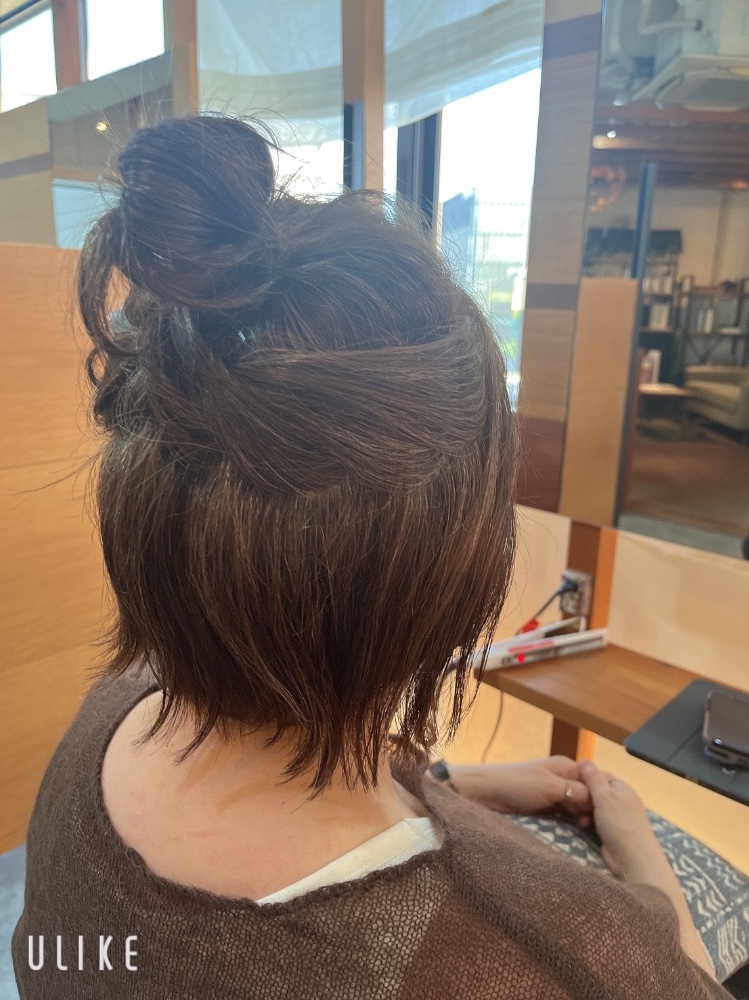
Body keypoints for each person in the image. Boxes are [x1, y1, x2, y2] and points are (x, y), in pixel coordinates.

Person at [12, 114, 728, 999]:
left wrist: (452, 785)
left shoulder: (103, 722)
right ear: (454, 567)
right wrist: (640, 853)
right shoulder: (565, 954)